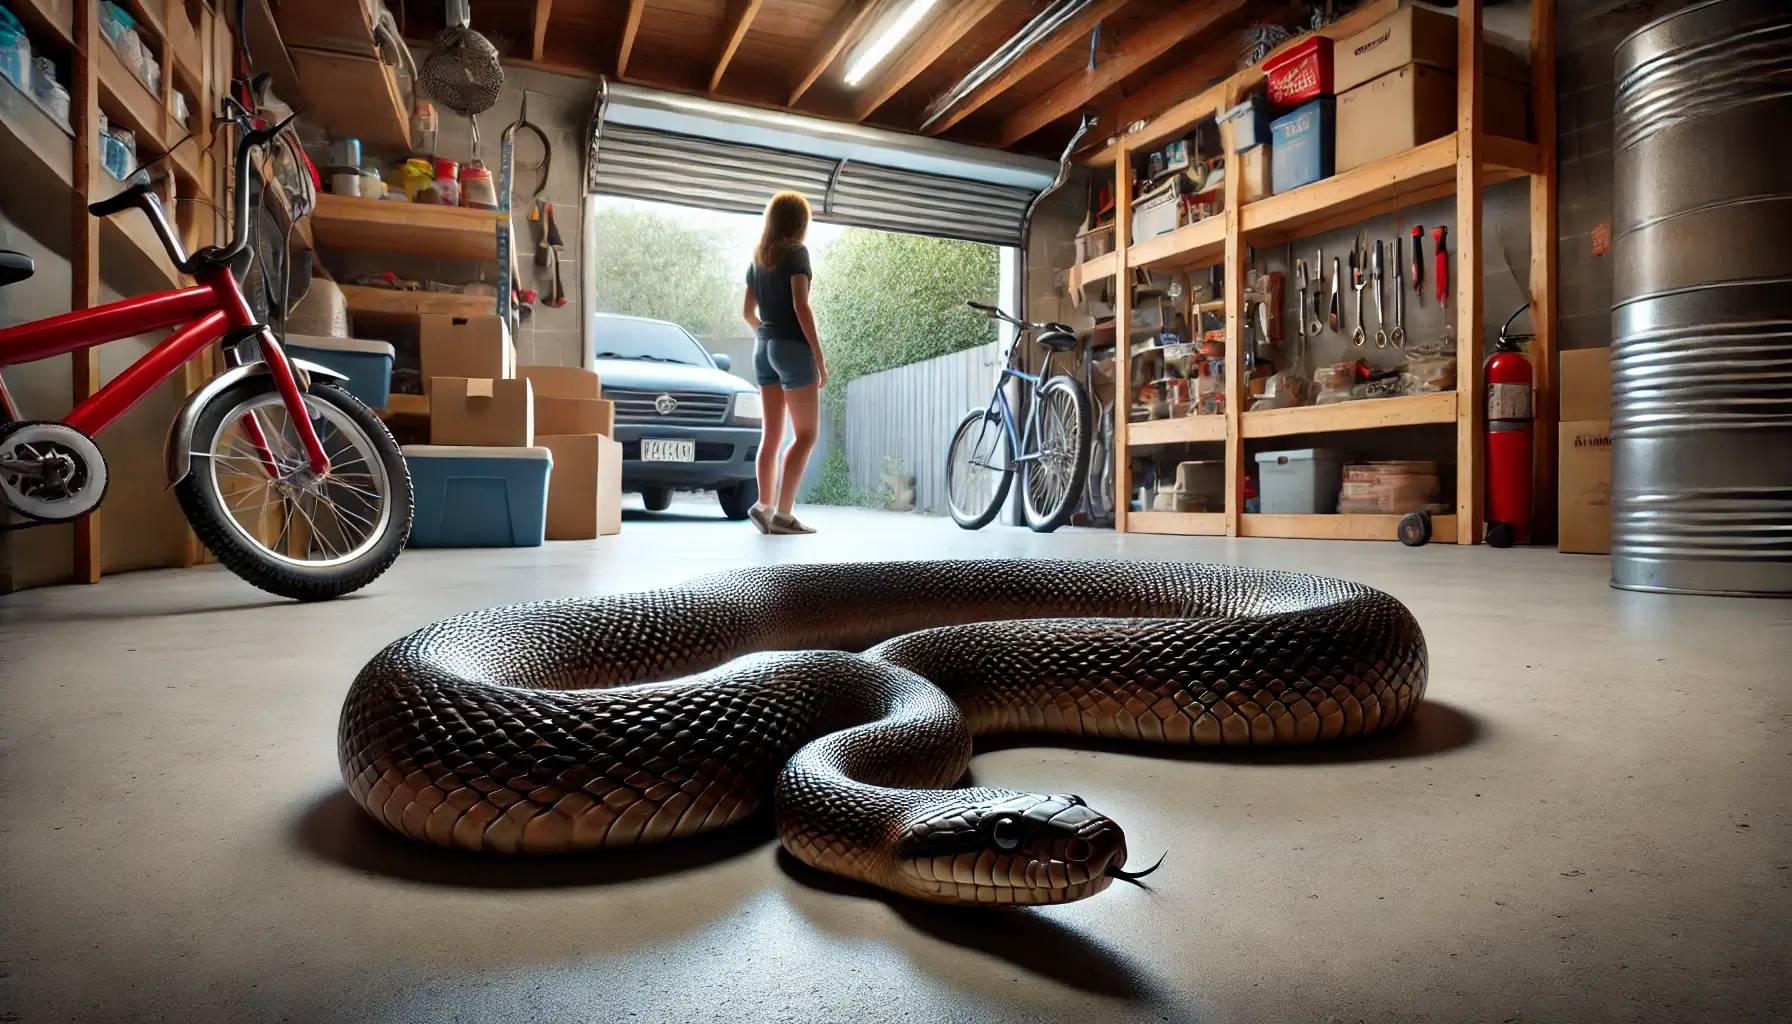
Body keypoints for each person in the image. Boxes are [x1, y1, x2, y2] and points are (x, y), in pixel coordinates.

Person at [742, 191, 828, 535]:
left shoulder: (759, 258)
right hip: (791, 347)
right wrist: (819, 357)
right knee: (806, 434)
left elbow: (747, 313)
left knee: (773, 434)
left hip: (762, 347)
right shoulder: (797, 252)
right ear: (800, 222)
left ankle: (764, 506)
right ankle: (784, 515)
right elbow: (801, 305)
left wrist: (766, 334)